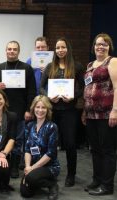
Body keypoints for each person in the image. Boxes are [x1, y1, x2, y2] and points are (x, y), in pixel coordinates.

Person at [40, 37, 84, 187]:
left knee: (70, 143)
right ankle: (49, 170)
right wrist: (47, 96)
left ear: (68, 48)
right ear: (55, 50)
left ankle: (71, 174)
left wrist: (73, 96)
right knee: (49, 143)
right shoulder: (49, 66)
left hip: (69, 110)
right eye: (58, 48)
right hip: (52, 111)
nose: (60, 50)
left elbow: (83, 88)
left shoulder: (76, 66)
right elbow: (41, 87)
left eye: (63, 47)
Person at [0, 40, 36, 178]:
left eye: (14, 49)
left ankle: (15, 166)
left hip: (20, 111)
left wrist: (29, 109)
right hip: (1, 112)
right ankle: (2, 162)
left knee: (17, 140)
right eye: (9, 49)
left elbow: (31, 91)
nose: (11, 51)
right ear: (6, 51)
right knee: (2, 139)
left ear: (18, 51)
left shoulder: (26, 68)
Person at [82, 33, 117, 196]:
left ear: (109, 47)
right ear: (93, 46)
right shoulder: (90, 64)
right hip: (90, 115)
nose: (100, 46)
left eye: (104, 44)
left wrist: (115, 110)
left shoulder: (112, 61)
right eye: (98, 44)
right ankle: (96, 180)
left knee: (107, 150)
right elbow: (87, 89)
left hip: (106, 114)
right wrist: (84, 111)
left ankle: (107, 185)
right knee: (95, 149)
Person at [20, 95, 60, 200]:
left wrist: (32, 169)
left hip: (49, 166)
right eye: (38, 107)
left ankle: (52, 184)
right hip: (32, 166)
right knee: (25, 193)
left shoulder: (52, 127)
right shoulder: (29, 126)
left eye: (43, 107)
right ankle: (35, 179)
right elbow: (27, 149)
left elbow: (50, 153)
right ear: (33, 109)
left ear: (48, 110)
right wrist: (28, 166)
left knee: (31, 178)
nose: (40, 110)